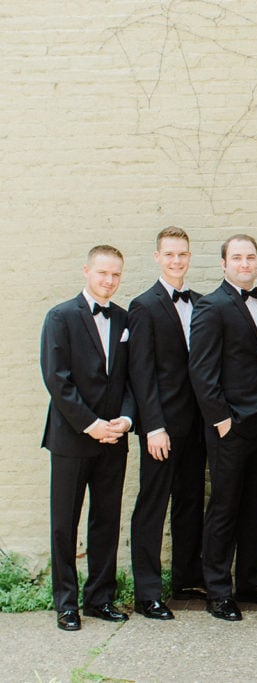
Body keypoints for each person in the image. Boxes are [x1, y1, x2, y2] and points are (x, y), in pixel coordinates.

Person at [189, 234, 257, 621]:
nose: (245, 264)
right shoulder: (211, 307)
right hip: (230, 426)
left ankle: (250, 581)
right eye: (237, 258)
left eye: (251, 257)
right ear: (223, 264)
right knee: (225, 506)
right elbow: (201, 370)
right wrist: (222, 419)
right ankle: (217, 590)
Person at [41, 245, 134, 631]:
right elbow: (56, 379)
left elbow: (132, 377)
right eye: (102, 273)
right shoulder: (60, 316)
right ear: (86, 271)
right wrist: (90, 423)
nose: (109, 281)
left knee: (106, 520)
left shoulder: (125, 318)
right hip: (72, 437)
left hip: (115, 437)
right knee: (65, 523)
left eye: (115, 275)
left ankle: (99, 597)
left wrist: (126, 419)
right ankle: (66, 603)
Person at [127, 227, 206, 621]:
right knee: (153, 505)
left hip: (196, 423)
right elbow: (141, 373)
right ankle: (147, 591)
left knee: (191, 501)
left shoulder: (201, 302)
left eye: (183, 254)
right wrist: (152, 426)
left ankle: (187, 578)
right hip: (162, 426)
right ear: (158, 257)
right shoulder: (144, 305)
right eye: (170, 254)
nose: (177, 261)